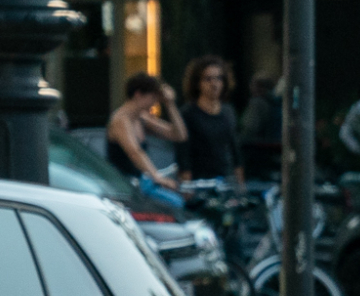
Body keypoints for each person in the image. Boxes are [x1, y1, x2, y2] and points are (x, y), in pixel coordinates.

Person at [105, 74, 183, 197]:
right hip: (123, 187)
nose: (155, 102)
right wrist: (157, 177)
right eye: (153, 97)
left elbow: (179, 135)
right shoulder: (121, 119)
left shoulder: (141, 118)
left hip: (139, 184)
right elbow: (135, 151)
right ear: (138, 94)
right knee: (174, 202)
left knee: (177, 201)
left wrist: (170, 104)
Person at [177, 56, 244, 185]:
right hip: (200, 181)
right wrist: (187, 184)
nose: (214, 84)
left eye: (218, 78)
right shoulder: (188, 113)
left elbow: (235, 149)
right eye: (208, 79)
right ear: (198, 83)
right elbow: (183, 153)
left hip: (226, 178)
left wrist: (240, 183)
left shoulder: (228, 111)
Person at [238, 74, 283, 175]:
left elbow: (250, 127)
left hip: (256, 151)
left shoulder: (257, 103)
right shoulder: (276, 102)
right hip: (274, 150)